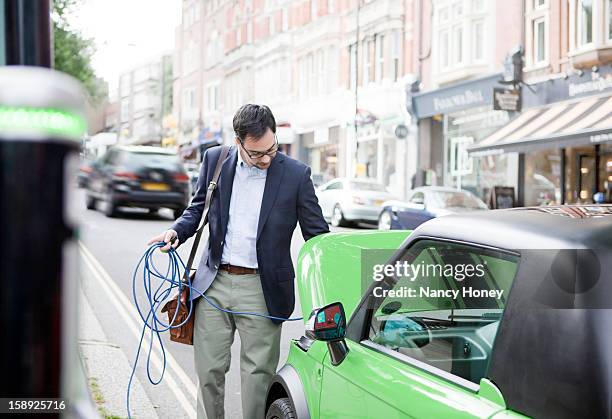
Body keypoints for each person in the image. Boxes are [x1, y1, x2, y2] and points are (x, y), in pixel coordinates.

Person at [148, 104, 329, 419]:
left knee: (257, 379)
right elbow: (197, 208)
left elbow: (318, 237)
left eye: (271, 149)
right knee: (208, 374)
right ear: (238, 143)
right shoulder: (216, 161)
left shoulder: (296, 174)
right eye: (257, 154)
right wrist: (176, 232)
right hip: (213, 284)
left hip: (263, 289)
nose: (266, 159)